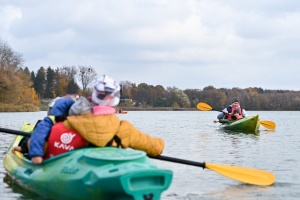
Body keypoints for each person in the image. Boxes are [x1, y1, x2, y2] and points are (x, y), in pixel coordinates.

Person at [62, 75, 165, 156]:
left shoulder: (70, 122)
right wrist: (161, 143)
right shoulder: (124, 129)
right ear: (115, 100)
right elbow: (156, 148)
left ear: (94, 96)